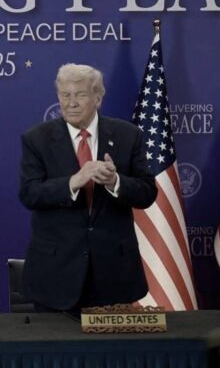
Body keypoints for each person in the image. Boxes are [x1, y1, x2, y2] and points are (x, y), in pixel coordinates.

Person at [19, 63, 157, 312]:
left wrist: (115, 182)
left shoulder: (128, 135)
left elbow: (147, 193)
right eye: (65, 95)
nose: (71, 103)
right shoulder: (37, 139)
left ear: (98, 98)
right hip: (55, 275)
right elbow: (30, 194)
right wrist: (74, 181)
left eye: (80, 95)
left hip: (113, 274)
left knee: (110, 340)